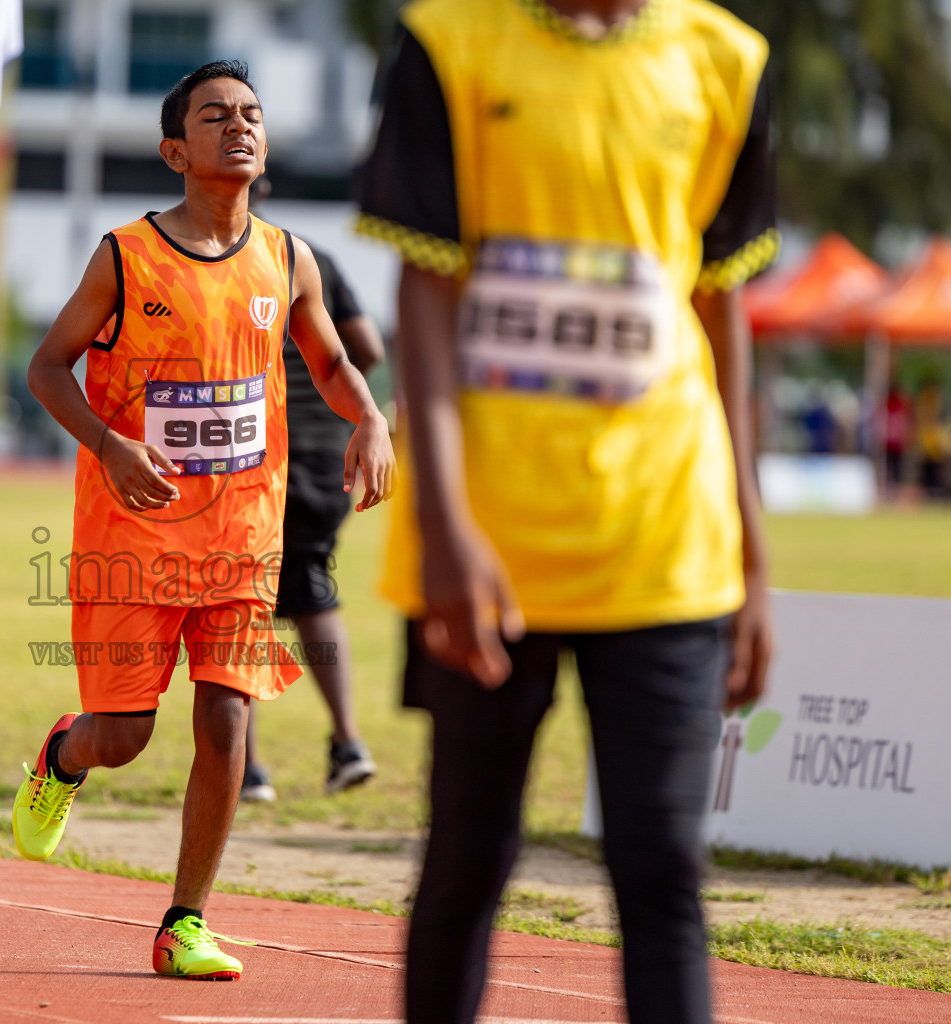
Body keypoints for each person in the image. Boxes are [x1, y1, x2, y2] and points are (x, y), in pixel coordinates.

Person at [356, 1, 776, 1021]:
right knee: (467, 853)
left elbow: (719, 307)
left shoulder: (724, 61)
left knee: (664, 866)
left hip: (668, 538)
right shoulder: (449, 43)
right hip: (489, 543)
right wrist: (446, 525)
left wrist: (754, 559)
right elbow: (427, 288)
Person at [18, 60, 394, 982]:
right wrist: (109, 445)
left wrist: (372, 419)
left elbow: (336, 365)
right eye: (216, 115)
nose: (240, 126)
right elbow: (46, 368)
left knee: (226, 717)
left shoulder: (289, 257)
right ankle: (65, 755)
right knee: (127, 737)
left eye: (252, 114)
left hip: (240, 535)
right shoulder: (124, 254)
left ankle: (183, 922)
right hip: (133, 536)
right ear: (174, 149)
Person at [242, 240, 384, 803]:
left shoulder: (218, 254)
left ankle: (248, 768)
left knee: (241, 598)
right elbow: (367, 347)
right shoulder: (314, 257)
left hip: (256, 450)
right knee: (312, 585)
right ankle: (348, 742)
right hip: (328, 454)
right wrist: (332, 392)